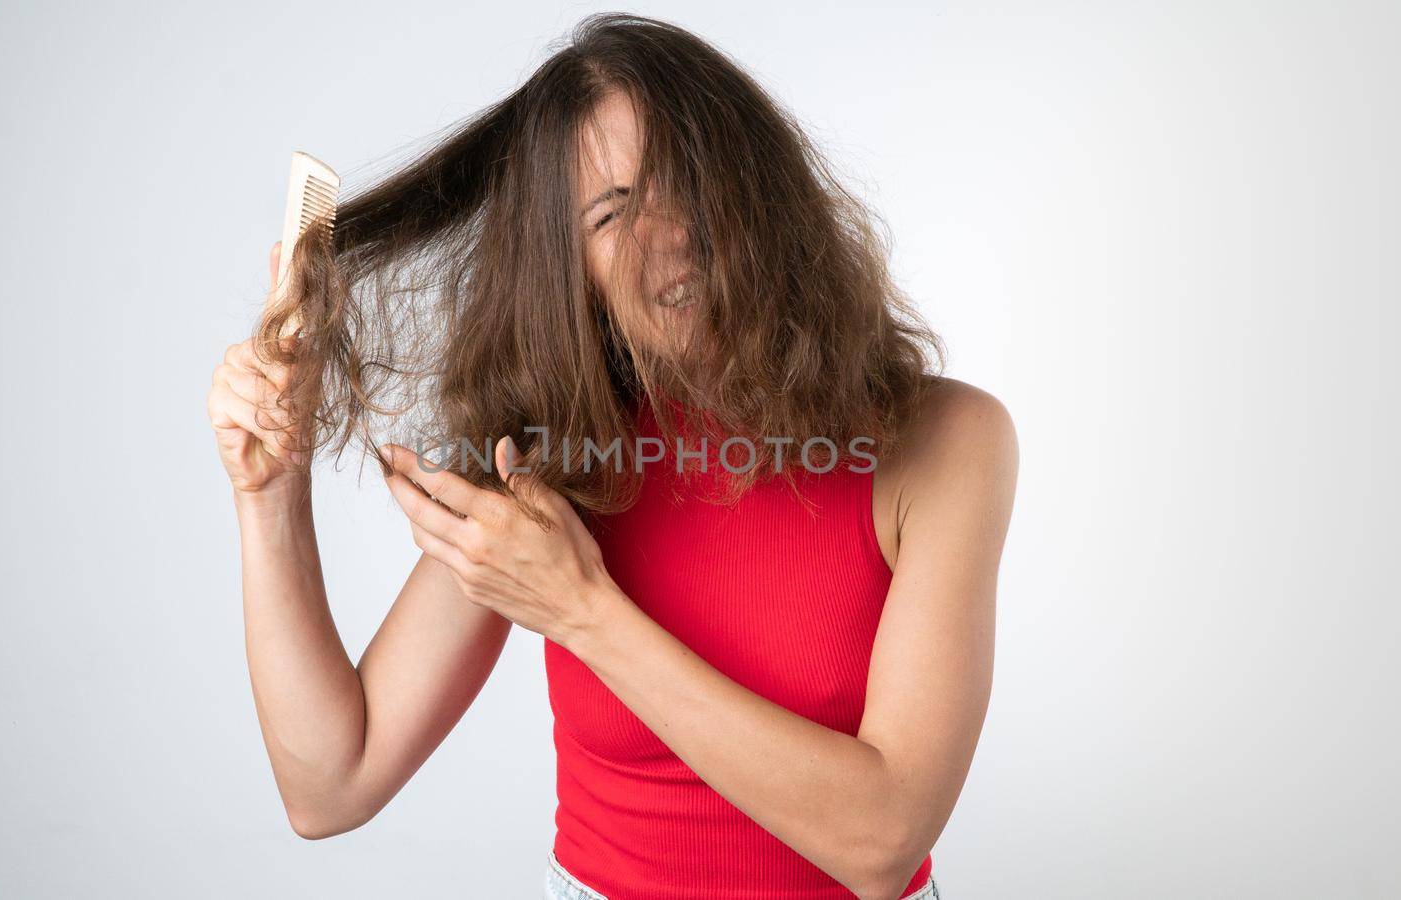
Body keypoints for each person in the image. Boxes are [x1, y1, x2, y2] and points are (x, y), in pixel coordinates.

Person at [207, 13, 1016, 899]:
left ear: (762, 185)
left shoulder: (948, 442)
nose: (667, 231)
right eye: (611, 210)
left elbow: (882, 842)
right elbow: (331, 784)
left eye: (687, 177)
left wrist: (583, 611)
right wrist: (270, 494)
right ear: (571, 271)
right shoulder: (551, 459)